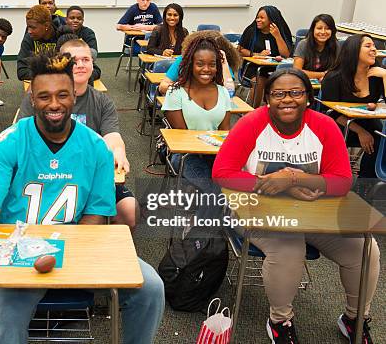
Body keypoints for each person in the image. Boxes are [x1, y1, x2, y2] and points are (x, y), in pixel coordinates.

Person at [0, 52, 164, 344]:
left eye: (62, 94)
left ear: (73, 96)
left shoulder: (96, 148)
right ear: (32, 99)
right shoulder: (9, 141)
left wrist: (69, 257)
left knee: (150, 287)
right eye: (44, 96)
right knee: (9, 320)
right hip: (19, 248)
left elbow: (97, 215)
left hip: (79, 242)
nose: (54, 104)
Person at [212, 68, 380, 344]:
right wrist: (275, 183)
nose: (287, 99)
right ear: (267, 99)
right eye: (278, 94)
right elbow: (222, 172)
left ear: (309, 98)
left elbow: (341, 181)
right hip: (257, 213)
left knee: (364, 248)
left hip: (315, 214)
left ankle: (354, 318)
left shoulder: (324, 126)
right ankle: (280, 320)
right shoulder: (251, 123)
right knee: (289, 248)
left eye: (296, 92)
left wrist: (295, 179)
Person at [18, 39, 137, 228]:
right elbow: (24, 138)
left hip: (89, 172)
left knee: (128, 211)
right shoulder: (38, 98)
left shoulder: (102, 101)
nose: (80, 65)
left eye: (86, 60)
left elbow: (112, 136)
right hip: (46, 173)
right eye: (74, 61)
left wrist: (118, 152)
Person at [161, 35, 231, 192]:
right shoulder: (176, 92)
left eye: (212, 65)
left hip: (215, 154)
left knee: (231, 185)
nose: (206, 69)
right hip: (186, 156)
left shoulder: (223, 92)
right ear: (190, 65)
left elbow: (225, 132)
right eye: (200, 64)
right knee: (216, 189)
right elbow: (181, 138)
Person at [321, 34, 386, 179]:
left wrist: (385, 76)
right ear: (354, 51)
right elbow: (331, 113)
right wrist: (360, 132)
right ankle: (332, 177)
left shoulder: (376, 75)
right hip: (339, 123)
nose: (374, 50)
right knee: (336, 133)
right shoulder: (334, 77)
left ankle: (367, 182)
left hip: (367, 121)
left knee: (381, 137)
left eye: (374, 46)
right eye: (368, 46)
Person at [238, 5, 293, 107]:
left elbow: (286, 54)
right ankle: (254, 110)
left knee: (283, 82)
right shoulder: (251, 31)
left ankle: (277, 110)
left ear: (271, 19)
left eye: (262, 18)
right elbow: (240, 50)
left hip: (275, 67)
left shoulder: (279, 32)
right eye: (257, 17)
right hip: (254, 67)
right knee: (259, 80)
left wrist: (277, 36)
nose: (258, 20)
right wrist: (256, 54)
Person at [158, 30, 241, 95]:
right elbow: (162, 87)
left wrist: (223, 61)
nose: (206, 69)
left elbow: (229, 91)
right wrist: (187, 89)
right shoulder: (182, 60)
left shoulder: (221, 62)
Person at [17, 5, 59, 81]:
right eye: (28, 27)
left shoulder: (61, 36)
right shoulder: (29, 38)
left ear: (46, 25)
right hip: (40, 81)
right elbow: (21, 71)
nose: (29, 31)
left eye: (33, 27)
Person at [293, 14, 339, 80]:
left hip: (326, 85)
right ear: (313, 30)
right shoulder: (303, 44)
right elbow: (297, 72)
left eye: (327, 28)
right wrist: (323, 74)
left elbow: (337, 71)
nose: (323, 32)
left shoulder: (336, 45)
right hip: (305, 84)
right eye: (319, 28)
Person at [65, 5, 101, 81]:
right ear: (66, 20)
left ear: (83, 20)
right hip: (65, 64)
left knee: (96, 72)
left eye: (79, 18)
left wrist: (73, 54)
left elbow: (93, 54)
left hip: (83, 63)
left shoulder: (88, 33)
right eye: (72, 18)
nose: (75, 20)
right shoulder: (61, 32)